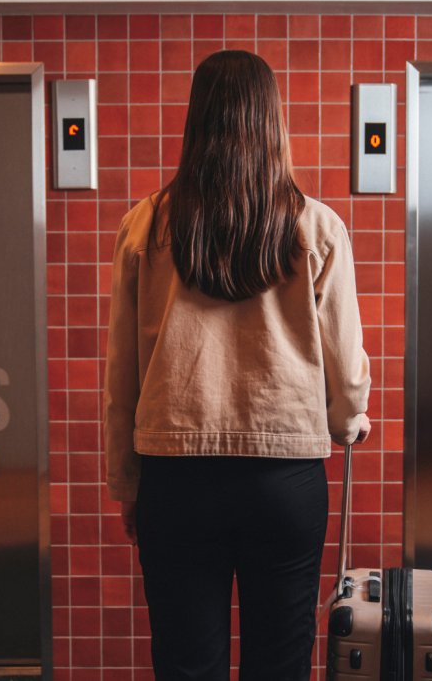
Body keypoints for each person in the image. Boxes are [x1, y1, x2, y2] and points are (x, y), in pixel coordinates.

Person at [103, 49, 372, 681]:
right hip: (285, 482)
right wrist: (348, 418)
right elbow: (346, 362)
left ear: (196, 123)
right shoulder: (317, 226)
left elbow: (123, 372)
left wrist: (126, 479)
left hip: (175, 477)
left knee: (185, 662)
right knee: (279, 661)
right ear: (272, 121)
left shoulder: (145, 225)